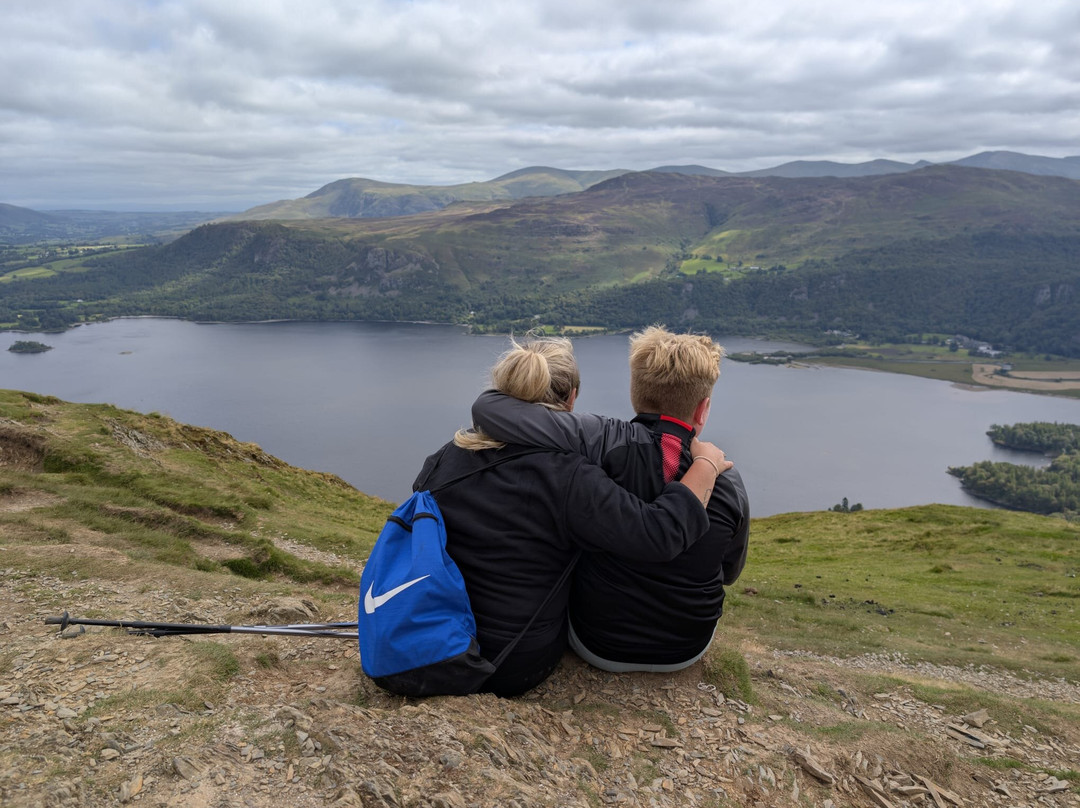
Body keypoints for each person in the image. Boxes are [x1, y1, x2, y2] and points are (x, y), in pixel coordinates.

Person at [414, 334, 728, 697]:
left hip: (427, 635)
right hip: (511, 661)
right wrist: (705, 465)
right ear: (572, 398)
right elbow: (657, 535)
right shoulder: (571, 477)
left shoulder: (444, 456)